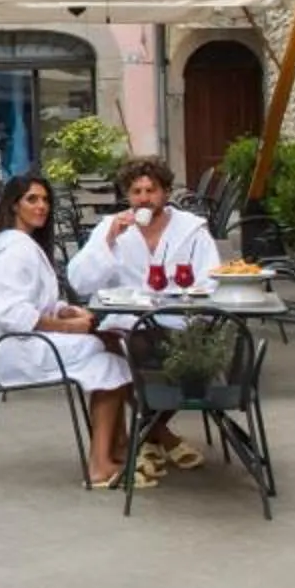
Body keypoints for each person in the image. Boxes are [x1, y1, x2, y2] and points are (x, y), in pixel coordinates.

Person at [0, 173, 142, 488]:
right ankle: (100, 465)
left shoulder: (20, 244)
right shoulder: (15, 251)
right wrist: (68, 326)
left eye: (45, 200)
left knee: (108, 342)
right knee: (110, 362)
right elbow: (12, 313)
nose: (42, 207)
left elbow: (31, 301)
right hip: (11, 350)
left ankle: (118, 448)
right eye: (32, 200)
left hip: (14, 341)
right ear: (14, 206)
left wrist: (62, 309)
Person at [67, 156, 220, 472]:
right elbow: (79, 281)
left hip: (180, 322)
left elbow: (212, 280)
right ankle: (159, 435)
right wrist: (108, 242)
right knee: (112, 345)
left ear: (165, 193)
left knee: (197, 355)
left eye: (151, 190)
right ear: (127, 196)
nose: (144, 198)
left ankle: (147, 434)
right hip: (129, 325)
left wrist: (187, 296)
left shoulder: (192, 231)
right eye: (136, 191)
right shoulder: (113, 227)